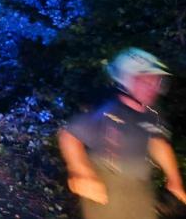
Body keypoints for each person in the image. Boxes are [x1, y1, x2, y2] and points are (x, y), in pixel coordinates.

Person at [58, 48, 186, 219]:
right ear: (126, 80)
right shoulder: (110, 112)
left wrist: (175, 181)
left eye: (156, 81)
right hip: (109, 190)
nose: (152, 87)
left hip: (141, 189)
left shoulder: (152, 113)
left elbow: (158, 142)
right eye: (144, 81)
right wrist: (81, 171)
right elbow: (69, 134)